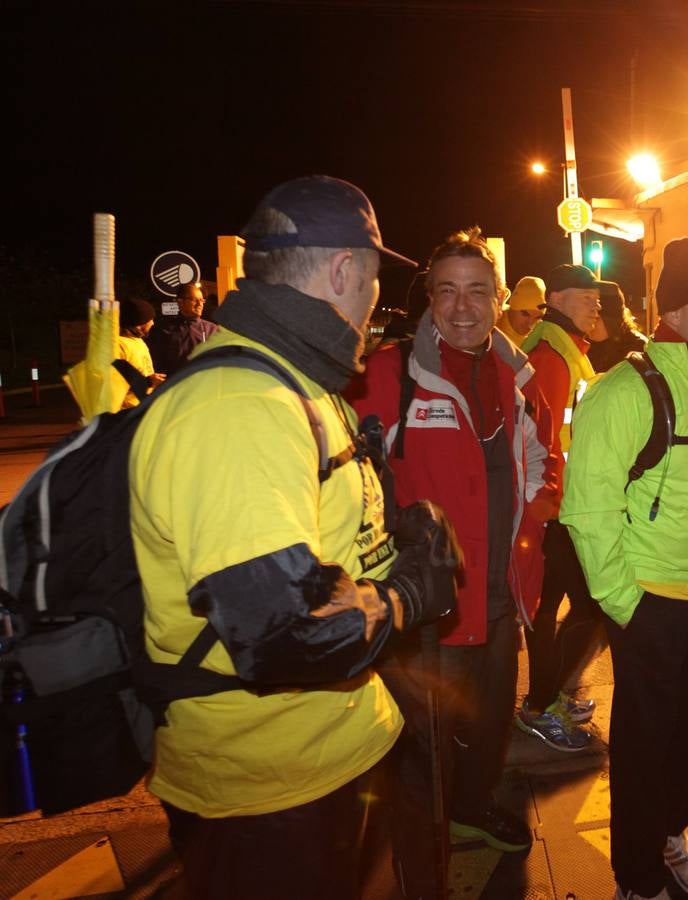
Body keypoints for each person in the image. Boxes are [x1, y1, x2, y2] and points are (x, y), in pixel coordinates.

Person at [129, 175, 459, 900]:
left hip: (331, 756)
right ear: (345, 271)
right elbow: (284, 636)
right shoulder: (237, 408)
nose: (377, 303)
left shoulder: (295, 384)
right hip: (267, 796)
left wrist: (392, 540)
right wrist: (406, 595)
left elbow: (319, 547)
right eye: (374, 279)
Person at [348, 227, 557, 889]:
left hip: (500, 600)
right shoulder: (389, 374)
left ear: (499, 299)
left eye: (477, 292)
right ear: (429, 299)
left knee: (490, 726)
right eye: (447, 291)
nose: (463, 307)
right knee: (420, 755)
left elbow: (547, 463)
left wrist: (537, 517)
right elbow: (349, 477)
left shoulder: (517, 376)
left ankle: (472, 811)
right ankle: (420, 862)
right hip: (425, 615)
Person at [562, 235, 688, 900]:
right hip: (649, 600)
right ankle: (638, 878)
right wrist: (626, 603)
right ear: (674, 314)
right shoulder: (624, 393)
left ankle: (672, 834)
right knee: (644, 747)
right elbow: (588, 511)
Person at [517, 263, 603, 750]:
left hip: (560, 505)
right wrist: (550, 505)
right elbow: (545, 440)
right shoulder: (552, 355)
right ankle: (539, 703)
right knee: (574, 607)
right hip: (556, 509)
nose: (597, 306)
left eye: (597, 298)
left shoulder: (566, 349)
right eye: (587, 297)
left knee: (551, 609)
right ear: (559, 298)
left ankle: (545, 698)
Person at [147, 280, 220, 375]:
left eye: (202, 300)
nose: (200, 304)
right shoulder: (164, 330)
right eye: (195, 300)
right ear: (180, 302)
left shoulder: (213, 330)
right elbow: (157, 365)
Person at [114, 297, 164, 408]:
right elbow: (114, 383)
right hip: (126, 412)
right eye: (149, 319)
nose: (153, 323)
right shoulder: (117, 346)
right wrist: (148, 382)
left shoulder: (138, 341)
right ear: (139, 323)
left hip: (142, 407)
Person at [587, 279, 648, 371]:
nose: (590, 325)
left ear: (612, 322)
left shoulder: (638, 348)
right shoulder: (585, 346)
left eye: (596, 319)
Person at [497, 274, 546, 343]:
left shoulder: (543, 337)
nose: (530, 324)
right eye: (525, 314)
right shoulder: (490, 326)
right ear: (512, 308)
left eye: (537, 318)